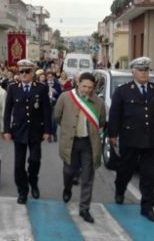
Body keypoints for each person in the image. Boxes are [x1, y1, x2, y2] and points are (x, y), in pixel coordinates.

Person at [108, 57, 154, 223]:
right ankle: (120, 189)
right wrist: (112, 135)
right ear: (133, 72)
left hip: (151, 139)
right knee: (125, 170)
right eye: (141, 70)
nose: (144, 73)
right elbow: (115, 115)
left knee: (148, 174)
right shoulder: (122, 91)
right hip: (130, 139)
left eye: (146, 70)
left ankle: (147, 207)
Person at [54, 72, 105, 223]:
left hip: (88, 143)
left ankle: (84, 209)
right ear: (78, 84)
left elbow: (101, 122)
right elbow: (57, 116)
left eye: (90, 87)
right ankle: (67, 188)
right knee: (69, 170)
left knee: (88, 176)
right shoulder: (66, 97)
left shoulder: (98, 103)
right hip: (71, 142)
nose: (87, 90)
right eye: (84, 86)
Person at [3, 59, 52, 204]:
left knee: (35, 160)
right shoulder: (13, 88)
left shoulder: (41, 88)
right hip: (18, 131)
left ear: (33, 72)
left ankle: (33, 182)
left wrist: (47, 130)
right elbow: (7, 111)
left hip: (36, 131)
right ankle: (22, 191)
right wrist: (6, 129)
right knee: (19, 165)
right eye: (21, 71)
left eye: (27, 71)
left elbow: (46, 111)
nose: (24, 74)